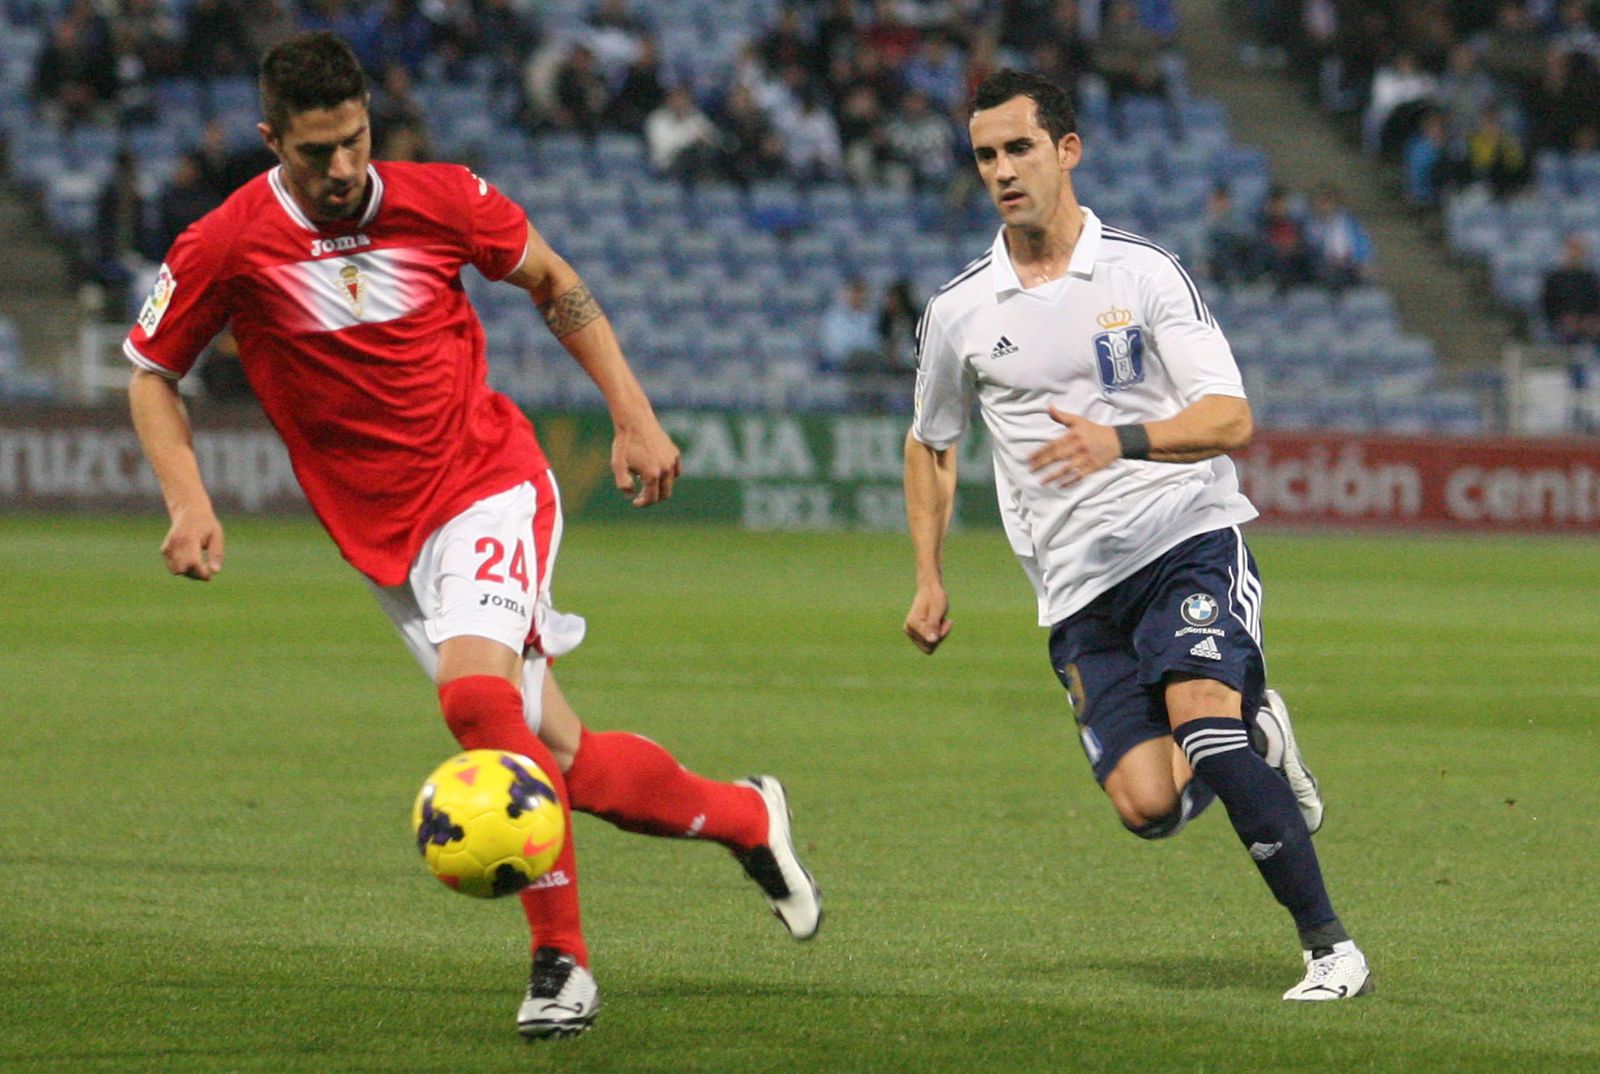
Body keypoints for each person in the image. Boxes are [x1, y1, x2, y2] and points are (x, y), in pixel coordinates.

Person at [124, 31, 820, 1042]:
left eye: (354, 141)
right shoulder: (226, 245)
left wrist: (632, 412)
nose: (341, 169)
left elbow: (551, 281)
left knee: (473, 698)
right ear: (271, 139)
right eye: (314, 152)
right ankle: (749, 817)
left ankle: (562, 965)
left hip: (487, 482)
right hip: (384, 541)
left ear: (371, 122)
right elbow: (151, 371)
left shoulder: (442, 196)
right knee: (564, 766)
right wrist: (187, 500)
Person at [901, 69, 1371, 1002]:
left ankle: (1330, 948)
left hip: (1184, 538)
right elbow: (931, 444)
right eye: (986, 154)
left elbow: (1232, 419)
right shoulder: (960, 311)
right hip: (1077, 591)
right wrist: (928, 574)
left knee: (1205, 725)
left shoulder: (1141, 272)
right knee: (1148, 808)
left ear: (1067, 150)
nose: (1002, 169)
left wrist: (1117, 439)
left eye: (1019, 148)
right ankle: (1257, 725)